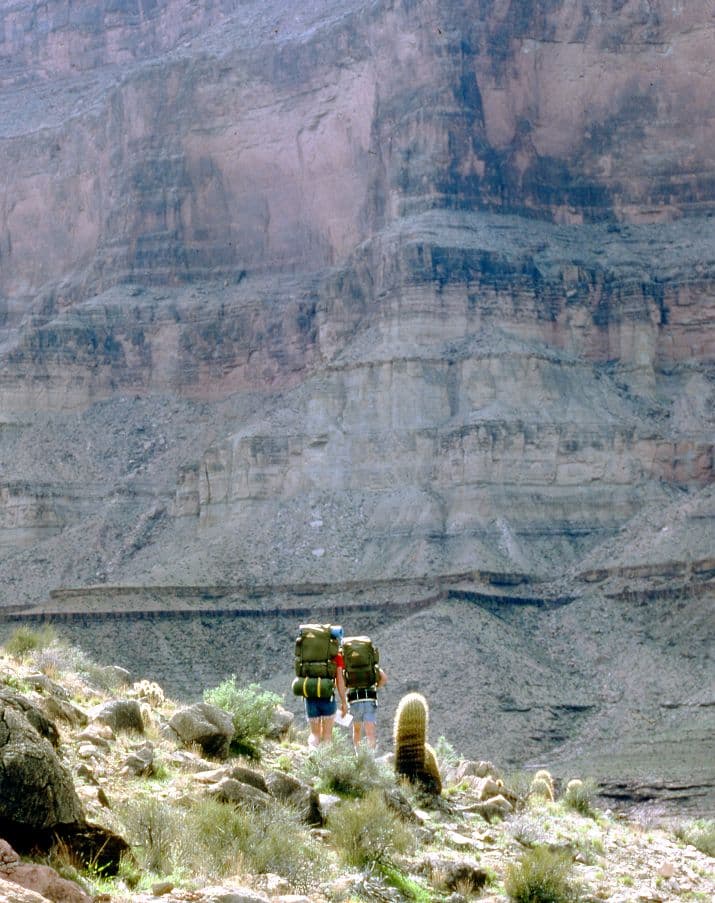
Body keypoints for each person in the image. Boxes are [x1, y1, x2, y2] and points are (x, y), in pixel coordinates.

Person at [305, 632, 348, 748]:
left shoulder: (308, 653)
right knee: (327, 736)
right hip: (328, 698)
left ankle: (313, 754)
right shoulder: (336, 656)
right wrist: (344, 702)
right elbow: (339, 681)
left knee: (314, 734)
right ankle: (325, 763)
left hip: (310, 698)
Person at [349, 664, 387, 750]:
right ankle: (371, 758)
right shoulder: (369, 661)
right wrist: (375, 687)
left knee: (356, 730)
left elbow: (343, 681)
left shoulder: (349, 661)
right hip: (369, 699)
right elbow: (384, 678)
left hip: (354, 699)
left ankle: (359, 757)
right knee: (370, 732)